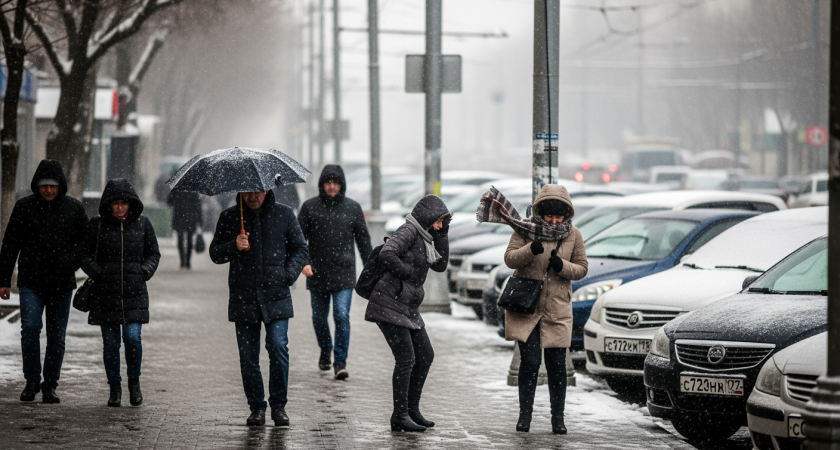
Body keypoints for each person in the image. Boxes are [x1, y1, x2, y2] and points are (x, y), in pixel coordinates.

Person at [479, 184, 588, 435]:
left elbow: (582, 268)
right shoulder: (524, 229)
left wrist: (562, 266)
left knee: (557, 366)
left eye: (558, 215)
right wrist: (530, 249)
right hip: (526, 308)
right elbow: (509, 259)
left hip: (557, 310)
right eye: (549, 215)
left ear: (566, 214)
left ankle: (557, 419)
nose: (553, 220)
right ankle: (524, 417)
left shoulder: (574, 235)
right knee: (529, 362)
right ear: (539, 212)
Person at [210, 189, 308, 427]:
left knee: (278, 347)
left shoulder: (284, 214)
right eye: (248, 192)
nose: (253, 197)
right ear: (240, 192)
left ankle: (278, 406)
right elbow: (215, 253)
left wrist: (288, 275)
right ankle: (256, 406)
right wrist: (234, 245)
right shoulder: (230, 217)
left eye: (258, 192)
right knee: (248, 357)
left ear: (267, 190)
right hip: (244, 297)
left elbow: (300, 249)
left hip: (277, 294)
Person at [0, 160, 88, 404]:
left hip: (62, 283)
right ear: (36, 186)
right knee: (30, 328)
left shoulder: (74, 209)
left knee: (56, 336)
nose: (48, 190)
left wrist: (70, 263)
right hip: (31, 281)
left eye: (52, 186)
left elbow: (85, 244)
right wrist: (4, 279)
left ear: (60, 186)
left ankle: (50, 385)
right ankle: (31, 381)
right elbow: (10, 245)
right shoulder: (24, 208)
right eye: (43, 186)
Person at [365, 195, 450, 432]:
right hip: (388, 302)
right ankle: (399, 416)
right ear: (428, 217)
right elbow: (387, 253)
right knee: (407, 359)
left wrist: (442, 236)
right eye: (439, 222)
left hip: (407, 306)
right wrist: (407, 273)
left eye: (444, 222)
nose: (440, 226)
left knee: (425, 355)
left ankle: (412, 410)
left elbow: (440, 265)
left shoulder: (427, 236)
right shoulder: (409, 230)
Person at [79, 179, 160, 407]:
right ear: (108, 204)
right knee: (111, 343)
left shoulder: (143, 224)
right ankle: (114, 388)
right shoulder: (97, 225)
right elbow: (83, 254)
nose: (120, 208)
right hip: (106, 294)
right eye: (116, 203)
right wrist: (98, 272)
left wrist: (144, 271)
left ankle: (134, 384)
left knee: (133, 339)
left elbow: (154, 253)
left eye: (124, 203)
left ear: (131, 203)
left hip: (135, 294)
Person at [298, 165, 372, 380]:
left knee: (341, 315)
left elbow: (363, 242)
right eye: (328, 182)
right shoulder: (309, 207)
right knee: (319, 319)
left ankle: (340, 363)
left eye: (336, 182)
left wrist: (371, 270)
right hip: (317, 273)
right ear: (322, 184)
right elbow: (298, 239)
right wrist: (304, 262)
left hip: (344, 273)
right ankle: (325, 348)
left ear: (342, 184)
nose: (332, 186)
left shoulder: (353, 208)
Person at [167, 190, 202, 269]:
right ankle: (188, 262)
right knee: (189, 240)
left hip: (179, 218)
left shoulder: (177, 190)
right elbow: (198, 207)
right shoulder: (193, 191)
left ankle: (182, 261)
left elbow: (169, 202)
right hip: (191, 219)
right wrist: (200, 221)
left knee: (181, 240)